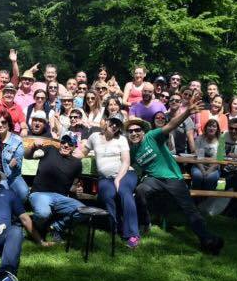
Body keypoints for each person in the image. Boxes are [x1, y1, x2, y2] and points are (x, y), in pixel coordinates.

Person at [127, 97, 224, 255]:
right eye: (131, 131)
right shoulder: (132, 151)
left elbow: (171, 125)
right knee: (140, 190)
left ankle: (207, 239)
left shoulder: (152, 136)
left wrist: (187, 113)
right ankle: (145, 223)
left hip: (172, 177)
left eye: (137, 130)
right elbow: (125, 164)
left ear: (143, 131)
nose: (134, 133)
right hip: (153, 180)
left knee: (189, 209)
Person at [79, 117, 140, 248]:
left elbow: (126, 161)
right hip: (105, 178)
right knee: (106, 195)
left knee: (124, 192)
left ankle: (133, 234)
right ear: (105, 122)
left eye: (117, 125)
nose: (114, 126)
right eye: (112, 123)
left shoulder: (121, 139)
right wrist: (67, 154)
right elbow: (82, 152)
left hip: (125, 173)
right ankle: (117, 227)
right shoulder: (94, 137)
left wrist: (118, 179)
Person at [26, 133, 84, 242]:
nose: (66, 145)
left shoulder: (77, 163)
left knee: (83, 212)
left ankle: (56, 226)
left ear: (74, 147)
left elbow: (74, 186)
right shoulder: (50, 150)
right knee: (43, 214)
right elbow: (28, 156)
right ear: (60, 143)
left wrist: (77, 190)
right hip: (40, 193)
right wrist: (33, 147)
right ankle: (37, 228)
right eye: (63, 142)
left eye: (70, 143)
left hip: (61, 198)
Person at [0, 110, 29, 202]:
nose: (0, 125)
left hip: (13, 175)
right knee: (4, 194)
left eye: (3, 122)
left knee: (23, 193)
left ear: (9, 124)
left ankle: (16, 210)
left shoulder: (17, 140)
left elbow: (19, 163)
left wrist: (14, 164)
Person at [192, 119, 221, 191]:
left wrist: (209, 171)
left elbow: (219, 160)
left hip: (214, 168)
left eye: (214, 126)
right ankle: (196, 198)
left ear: (217, 129)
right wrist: (203, 171)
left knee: (210, 178)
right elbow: (199, 157)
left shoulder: (221, 140)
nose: (211, 128)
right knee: (197, 175)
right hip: (199, 166)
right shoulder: (200, 139)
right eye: (209, 126)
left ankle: (208, 200)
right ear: (206, 128)